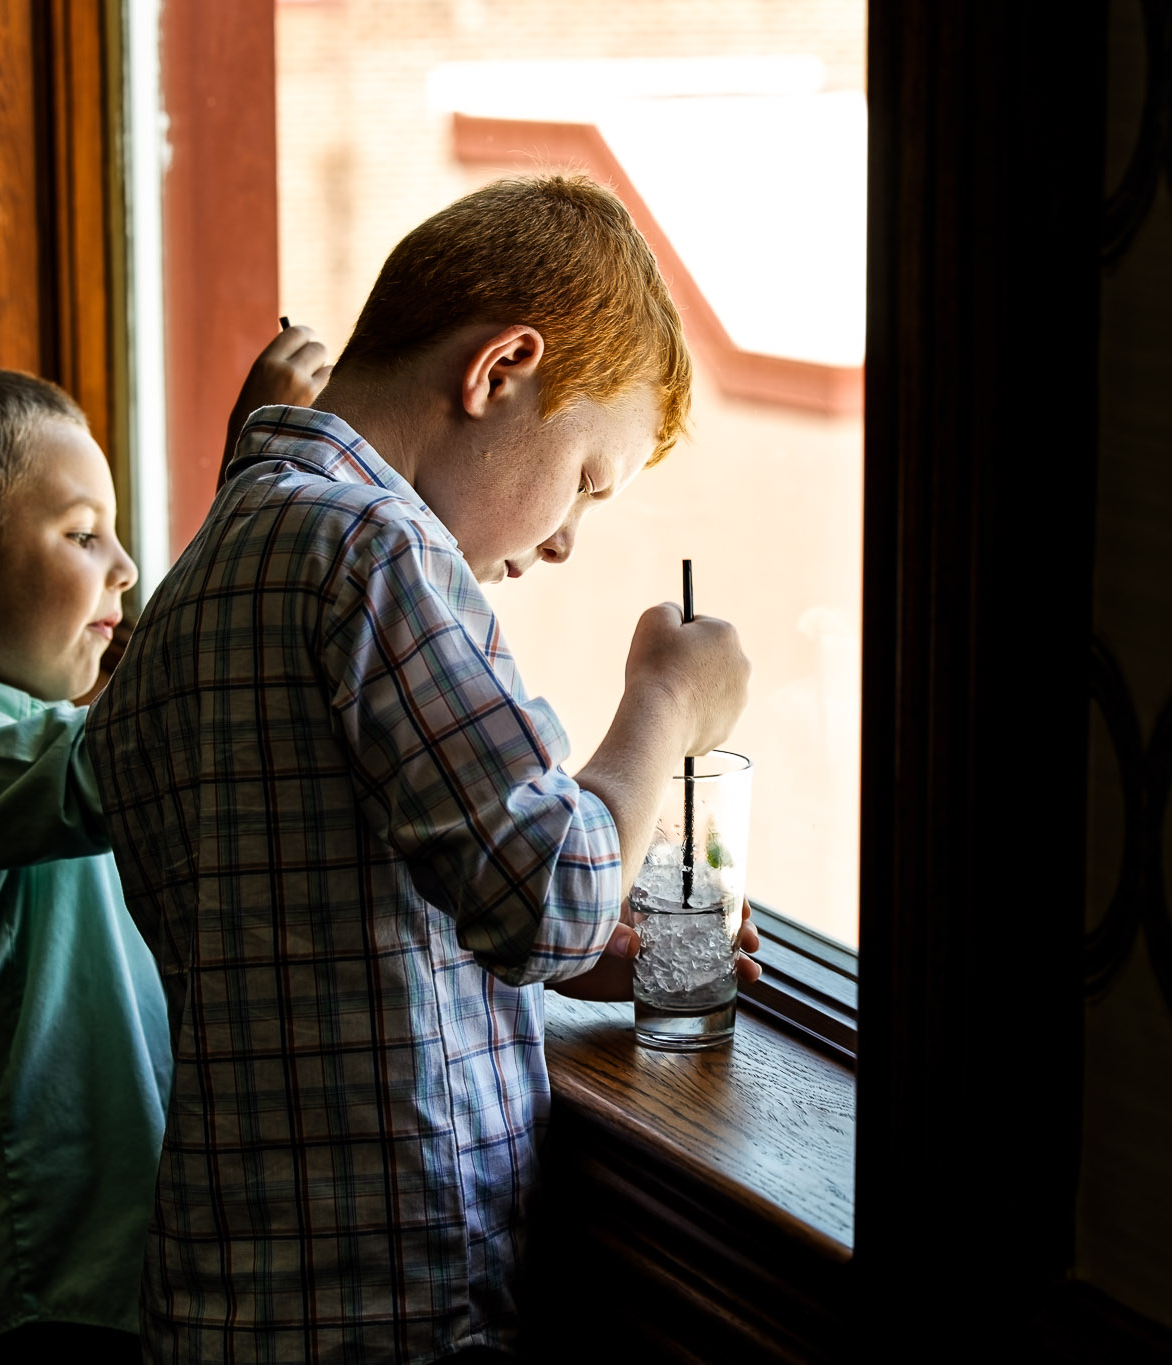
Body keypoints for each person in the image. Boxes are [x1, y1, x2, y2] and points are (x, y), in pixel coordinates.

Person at [87, 173, 759, 1363]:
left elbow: (315, 921)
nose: (561, 541)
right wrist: (663, 705)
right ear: (499, 369)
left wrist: (541, 968)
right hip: (385, 1309)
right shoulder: (371, 546)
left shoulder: (208, 568)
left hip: (228, 1291)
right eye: (586, 482)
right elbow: (547, 894)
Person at [0, 329, 332, 1365]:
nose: (127, 566)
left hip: (79, 1286)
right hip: (6, 1298)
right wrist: (255, 477)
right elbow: (153, 730)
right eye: (83, 534)